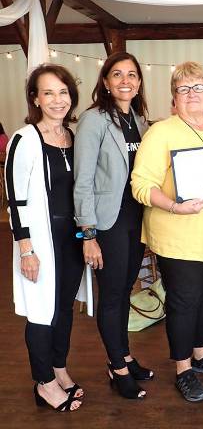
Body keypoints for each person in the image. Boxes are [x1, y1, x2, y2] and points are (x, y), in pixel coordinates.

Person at [131, 61, 203, 403]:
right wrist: (176, 206)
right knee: (182, 303)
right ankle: (183, 369)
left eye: (199, 88)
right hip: (177, 234)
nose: (192, 95)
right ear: (174, 99)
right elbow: (141, 185)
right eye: (183, 89)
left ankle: (202, 355)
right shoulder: (160, 132)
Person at [5, 64, 86, 412]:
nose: (57, 99)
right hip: (39, 242)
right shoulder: (24, 138)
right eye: (48, 92)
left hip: (71, 240)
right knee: (41, 313)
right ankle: (45, 383)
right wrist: (26, 249)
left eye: (63, 92)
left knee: (63, 309)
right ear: (36, 98)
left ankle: (59, 368)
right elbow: (14, 197)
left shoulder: (73, 136)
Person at [74, 51, 152, 400]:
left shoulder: (139, 119)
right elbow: (83, 180)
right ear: (105, 81)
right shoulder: (94, 120)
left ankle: (125, 355)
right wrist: (87, 233)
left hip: (137, 218)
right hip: (108, 221)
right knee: (113, 295)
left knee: (125, 291)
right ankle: (117, 367)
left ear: (138, 81)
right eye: (117, 74)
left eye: (132, 74)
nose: (125, 81)